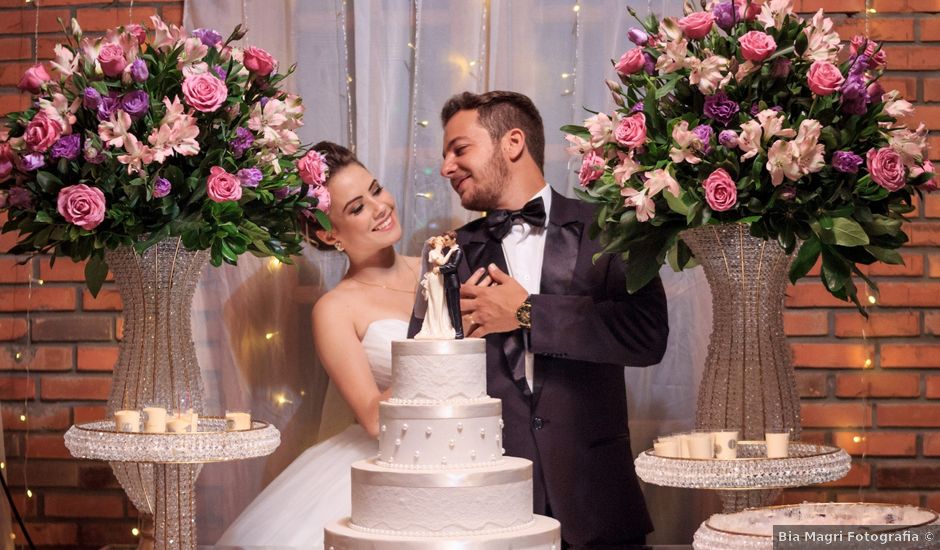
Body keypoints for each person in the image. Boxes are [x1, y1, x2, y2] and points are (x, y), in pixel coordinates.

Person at [408, 91, 669, 548]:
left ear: (512, 142)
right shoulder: (447, 254)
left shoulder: (610, 228)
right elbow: (422, 379)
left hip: (596, 503)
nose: (446, 167)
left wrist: (528, 312)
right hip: (487, 510)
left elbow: (647, 336)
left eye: (459, 149)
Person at [216, 142, 420, 549]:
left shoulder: (439, 265)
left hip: (466, 448)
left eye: (376, 190)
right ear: (330, 233)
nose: (380, 207)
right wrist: (435, 351)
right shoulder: (335, 308)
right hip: (386, 464)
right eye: (357, 208)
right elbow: (374, 419)